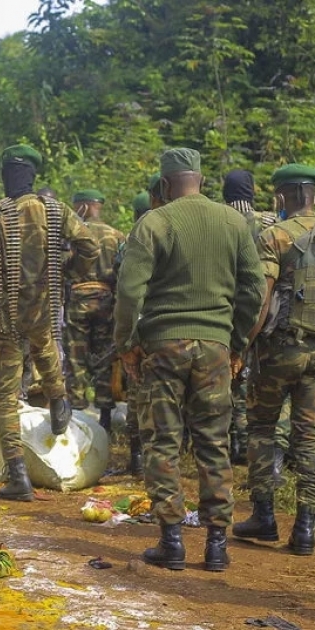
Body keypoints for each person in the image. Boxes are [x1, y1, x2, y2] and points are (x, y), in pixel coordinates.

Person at [115, 148, 265, 572]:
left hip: (162, 347)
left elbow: (129, 292)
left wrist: (126, 341)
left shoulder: (154, 222)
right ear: (200, 180)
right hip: (215, 347)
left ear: (164, 185)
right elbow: (253, 290)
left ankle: (172, 541)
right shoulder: (234, 223)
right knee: (213, 442)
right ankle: (217, 545)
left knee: (163, 442)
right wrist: (234, 341)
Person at [0, 144, 98, 501]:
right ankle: (59, 402)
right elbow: (88, 246)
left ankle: (18, 477)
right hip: (44, 308)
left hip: (5, 318)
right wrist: (66, 272)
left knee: (5, 398)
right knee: (47, 352)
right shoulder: (55, 210)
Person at [233, 163, 315, 556]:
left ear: (282, 198)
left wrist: (243, 345)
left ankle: (264, 516)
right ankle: (306, 527)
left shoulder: (275, 236)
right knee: (310, 437)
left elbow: (261, 301)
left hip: (279, 352)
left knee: (263, 428)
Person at [222, 170, 278, 465]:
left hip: (225, 308)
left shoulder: (218, 218)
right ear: (252, 191)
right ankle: (248, 444)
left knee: (226, 376)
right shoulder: (268, 221)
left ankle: (230, 441)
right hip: (262, 308)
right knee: (252, 376)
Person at [64, 189, 126, 434]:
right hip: (106, 301)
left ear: (84, 207)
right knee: (104, 358)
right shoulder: (117, 236)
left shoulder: (76, 234)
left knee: (77, 358)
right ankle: (105, 417)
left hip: (79, 298)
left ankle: (78, 414)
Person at [119, 189, 153, 474]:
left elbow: (126, 290)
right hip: (167, 327)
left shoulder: (132, 241)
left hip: (141, 326)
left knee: (136, 392)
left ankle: (137, 456)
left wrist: (125, 339)